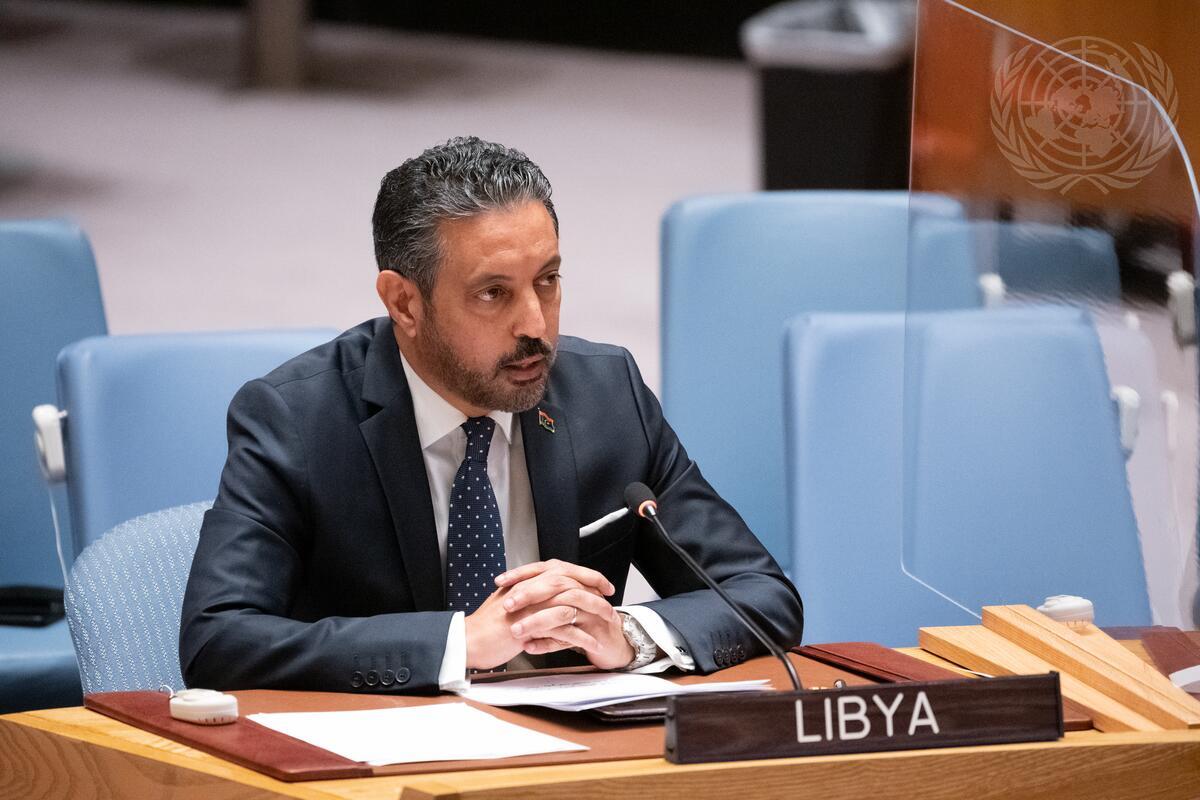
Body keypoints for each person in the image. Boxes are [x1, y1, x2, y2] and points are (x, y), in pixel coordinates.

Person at [179, 136, 803, 693]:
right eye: (492, 293)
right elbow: (219, 639)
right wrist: (457, 644)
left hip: (575, 747)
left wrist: (628, 634)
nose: (535, 325)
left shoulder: (608, 395)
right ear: (404, 303)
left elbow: (761, 594)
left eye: (548, 280)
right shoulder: (297, 418)